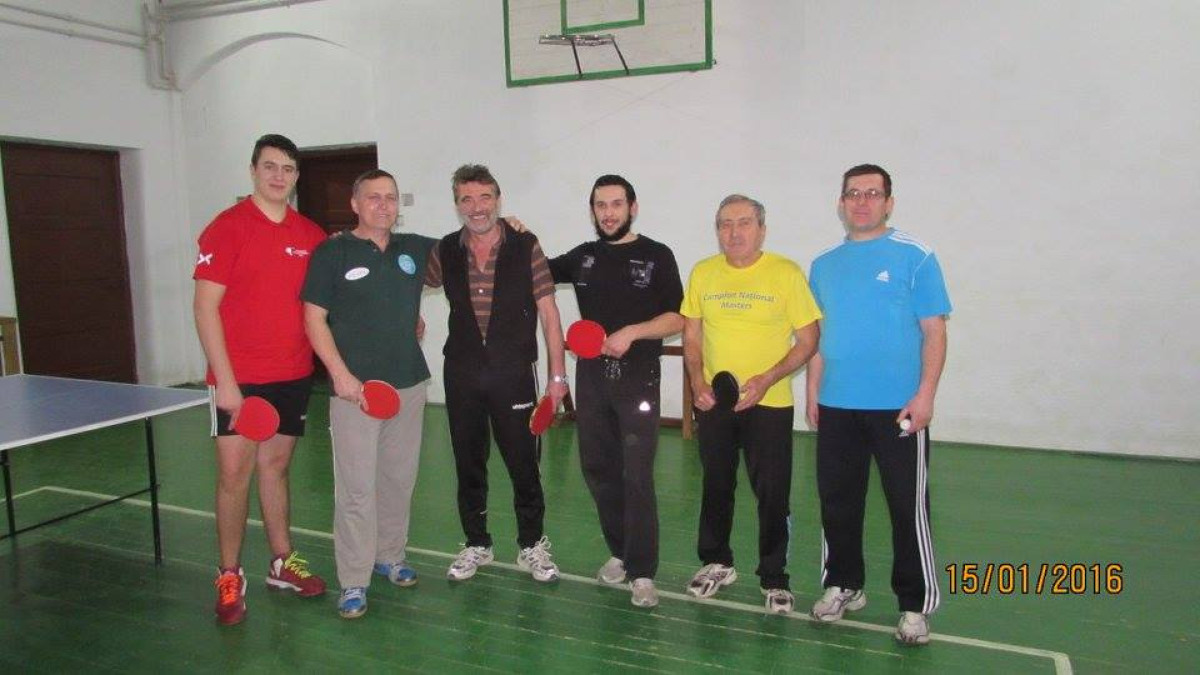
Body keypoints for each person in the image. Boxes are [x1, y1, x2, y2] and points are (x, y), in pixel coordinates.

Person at [806, 164, 951, 645]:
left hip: (898, 409)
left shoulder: (916, 255)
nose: (862, 201)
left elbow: (934, 331)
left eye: (872, 193)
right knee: (837, 502)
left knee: (906, 507)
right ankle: (843, 584)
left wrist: (925, 394)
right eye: (853, 193)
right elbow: (820, 335)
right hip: (837, 405)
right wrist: (813, 391)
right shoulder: (823, 265)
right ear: (841, 202)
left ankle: (914, 605)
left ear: (889, 202)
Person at [193, 133, 328, 626]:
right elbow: (204, 308)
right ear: (253, 170)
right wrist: (226, 383)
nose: (279, 176)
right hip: (240, 378)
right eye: (270, 166)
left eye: (288, 169)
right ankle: (229, 573)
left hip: (292, 373)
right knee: (234, 476)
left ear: (296, 177)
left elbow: (323, 307)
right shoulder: (226, 228)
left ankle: (281, 562)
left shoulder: (311, 235)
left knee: (276, 467)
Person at [424, 164, 568, 583]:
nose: (477, 207)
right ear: (457, 204)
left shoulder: (525, 245)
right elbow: (406, 278)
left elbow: (549, 312)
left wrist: (558, 377)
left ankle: (531, 544)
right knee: (468, 462)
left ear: (498, 200)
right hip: (462, 373)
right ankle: (476, 543)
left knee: (524, 464)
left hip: (514, 374)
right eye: (466, 199)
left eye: (484, 197)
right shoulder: (445, 250)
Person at [302, 169, 436, 619]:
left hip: (409, 383)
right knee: (357, 488)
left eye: (391, 197)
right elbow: (313, 318)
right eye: (374, 197)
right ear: (355, 204)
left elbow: (472, 247)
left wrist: (507, 227)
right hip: (355, 392)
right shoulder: (332, 252)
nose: (383, 205)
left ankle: (390, 556)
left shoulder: (414, 248)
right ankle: (354, 579)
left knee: (398, 480)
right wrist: (340, 375)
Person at [680, 194, 821, 614]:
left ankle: (774, 577)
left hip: (770, 403)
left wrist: (767, 379)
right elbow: (692, 336)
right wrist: (697, 381)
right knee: (716, 485)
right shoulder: (703, 272)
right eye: (725, 224)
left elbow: (809, 340)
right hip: (716, 404)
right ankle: (716, 562)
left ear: (762, 229)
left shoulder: (785, 273)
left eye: (744, 223)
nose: (734, 232)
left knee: (773, 492)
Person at [547, 175, 684, 608]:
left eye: (616, 204)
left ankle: (643, 572)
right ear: (592, 210)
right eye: (600, 205)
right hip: (592, 377)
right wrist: (515, 235)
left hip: (638, 378)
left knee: (636, 473)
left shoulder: (657, 255)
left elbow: (677, 317)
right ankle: (621, 553)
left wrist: (633, 332)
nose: (608, 213)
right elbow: (535, 269)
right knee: (599, 469)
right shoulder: (583, 257)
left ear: (632, 207)